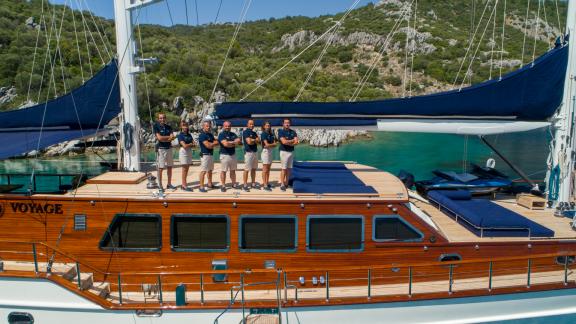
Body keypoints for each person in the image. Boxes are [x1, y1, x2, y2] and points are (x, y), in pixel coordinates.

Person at [153, 113, 176, 191]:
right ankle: (160, 185)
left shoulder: (169, 127)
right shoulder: (156, 127)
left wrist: (166, 138)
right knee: (161, 168)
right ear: (158, 119)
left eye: (163, 118)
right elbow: (159, 138)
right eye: (160, 118)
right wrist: (168, 137)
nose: (162, 119)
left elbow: (173, 137)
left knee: (170, 167)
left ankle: (169, 184)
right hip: (161, 149)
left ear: (165, 118)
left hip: (169, 148)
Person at [218, 120, 241, 192]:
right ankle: (223, 185)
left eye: (229, 126)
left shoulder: (233, 134)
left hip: (232, 155)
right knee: (224, 171)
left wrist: (230, 142)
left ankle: (234, 184)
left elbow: (239, 141)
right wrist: (234, 143)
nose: (227, 127)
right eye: (226, 126)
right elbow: (225, 144)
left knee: (233, 171)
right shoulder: (221, 134)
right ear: (223, 126)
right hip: (224, 155)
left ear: (230, 126)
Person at [278, 118, 298, 191]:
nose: (287, 124)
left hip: (291, 152)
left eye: (288, 123)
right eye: (286, 123)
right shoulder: (281, 132)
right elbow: (283, 142)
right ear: (283, 124)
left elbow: (296, 142)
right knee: (284, 168)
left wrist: (288, 142)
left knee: (289, 169)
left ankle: (287, 183)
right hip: (284, 152)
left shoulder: (293, 132)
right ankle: (282, 184)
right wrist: (292, 141)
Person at [198, 120, 219, 192]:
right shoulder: (202, 135)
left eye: (209, 126)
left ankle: (210, 184)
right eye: (207, 126)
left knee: (210, 170)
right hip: (205, 155)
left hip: (210, 154)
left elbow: (216, 143)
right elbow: (208, 146)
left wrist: (212, 144)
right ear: (203, 126)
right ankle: (201, 186)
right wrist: (213, 143)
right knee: (203, 171)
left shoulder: (210, 135)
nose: (208, 127)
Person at [242, 119, 260, 191]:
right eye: (250, 124)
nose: (251, 125)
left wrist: (253, 140)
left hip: (255, 152)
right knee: (246, 169)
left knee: (254, 169)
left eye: (252, 124)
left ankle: (253, 183)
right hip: (248, 153)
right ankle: (245, 185)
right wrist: (254, 140)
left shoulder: (254, 133)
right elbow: (249, 142)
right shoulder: (245, 132)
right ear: (247, 124)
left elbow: (259, 140)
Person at [260, 121, 277, 191]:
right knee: (265, 169)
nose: (268, 127)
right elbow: (266, 145)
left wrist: (272, 145)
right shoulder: (263, 134)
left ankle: (267, 182)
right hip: (265, 152)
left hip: (270, 151)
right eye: (266, 125)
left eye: (269, 125)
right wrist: (272, 145)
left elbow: (275, 143)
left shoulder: (271, 134)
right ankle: (264, 185)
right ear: (264, 126)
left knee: (269, 169)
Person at [177, 121, 194, 191]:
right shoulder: (180, 135)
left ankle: (184, 184)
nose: (185, 127)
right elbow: (184, 146)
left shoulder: (189, 135)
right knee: (184, 169)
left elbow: (194, 144)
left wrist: (189, 144)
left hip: (189, 151)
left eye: (186, 126)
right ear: (181, 127)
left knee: (187, 169)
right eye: (183, 126)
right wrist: (190, 144)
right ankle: (184, 185)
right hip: (183, 152)